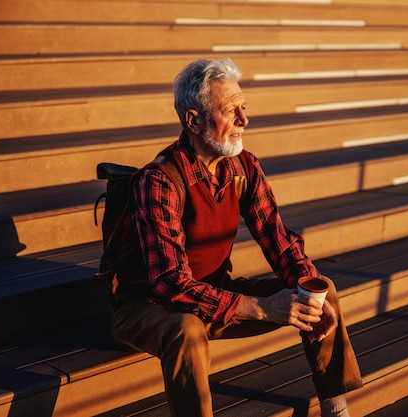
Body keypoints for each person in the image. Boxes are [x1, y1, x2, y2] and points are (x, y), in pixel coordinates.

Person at [110, 58, 362, 417]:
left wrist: (309, 291)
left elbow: (278, 240)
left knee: (321, 287)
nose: (245, 121)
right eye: (231, 111)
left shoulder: (243, 167)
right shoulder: (160, 180)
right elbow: (169, 283)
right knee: (187, 328)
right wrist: (262, 307)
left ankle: (336, 410)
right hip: (147, 307)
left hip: (213, 297)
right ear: (193, 120)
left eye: (244, 108)